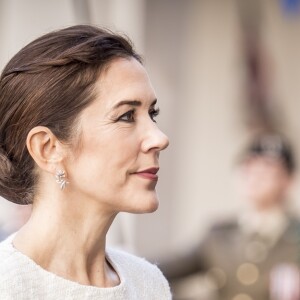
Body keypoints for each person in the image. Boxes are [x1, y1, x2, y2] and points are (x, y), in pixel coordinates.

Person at [0, 25, 171, 299]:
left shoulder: (149, 284)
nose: (159, 138)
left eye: (152, 113)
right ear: (48, 148)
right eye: (127, 116)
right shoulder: (7, 286)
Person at [161, 132, 300, 300]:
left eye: (267, 168)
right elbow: (165, 270)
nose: (255, 176)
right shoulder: (219, 234)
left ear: (288, 180)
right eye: (249, 167)